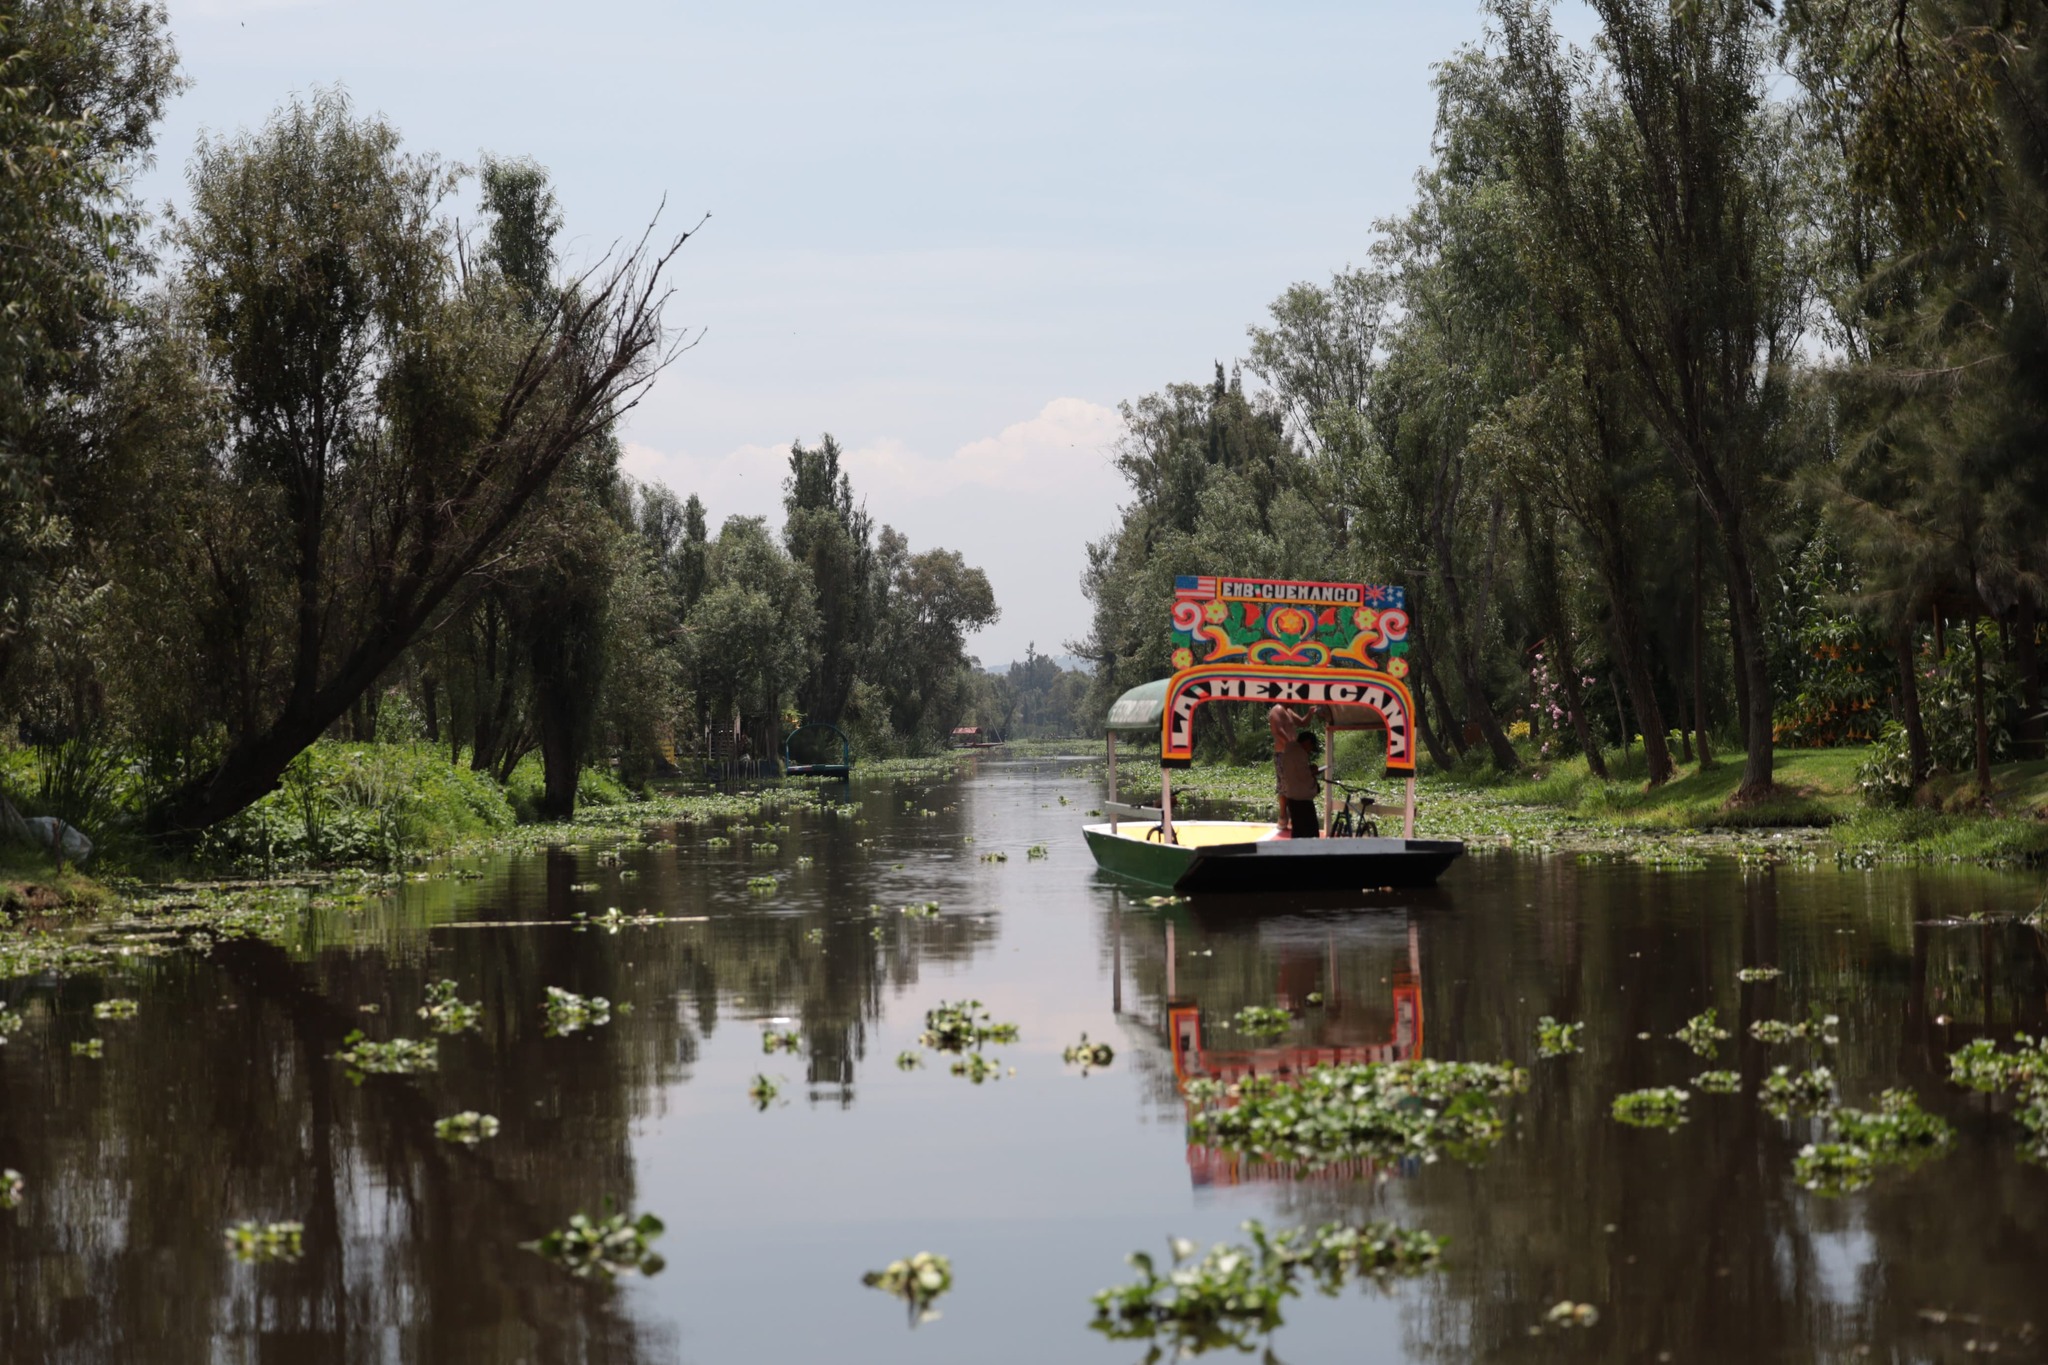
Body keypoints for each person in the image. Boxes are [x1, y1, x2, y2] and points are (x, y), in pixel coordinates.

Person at [1269, 704, 1323, 838]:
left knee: (1299, 781)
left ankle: (1294, 817)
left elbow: (1303, 723)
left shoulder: (1289, 711)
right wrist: (1292, 746)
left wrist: (1310, 712)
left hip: (1295, 751)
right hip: (1284, 751)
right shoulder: (1277, 711)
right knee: (1284, 785)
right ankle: (1283, 817)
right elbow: (1278, 730)